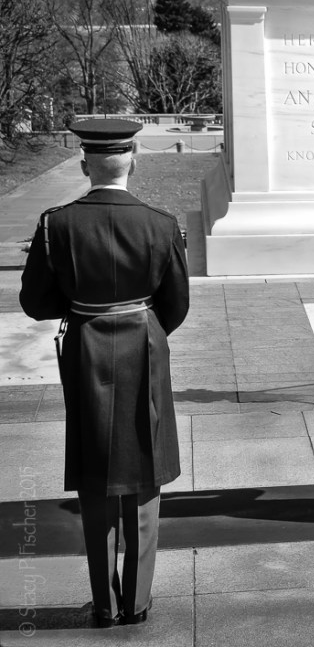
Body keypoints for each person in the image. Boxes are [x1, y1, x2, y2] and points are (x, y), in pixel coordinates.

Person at [20, 118, 189, 627]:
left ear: (83, 163)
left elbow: (35, 302)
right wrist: (139, 322)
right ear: (134, 158)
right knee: (145, 469)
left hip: (85, 347)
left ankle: (104, 603)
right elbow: (176, 306)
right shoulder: (161, 222)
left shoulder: (56, 224)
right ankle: (136, 602)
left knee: (97, 472)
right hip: (142, 341)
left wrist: (83, 306)